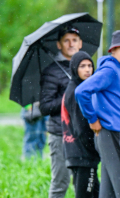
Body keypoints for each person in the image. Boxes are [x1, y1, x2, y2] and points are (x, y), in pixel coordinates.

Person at [75, 30, 120, 198]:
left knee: (110, 192)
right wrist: (92, 119)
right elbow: (81, 91)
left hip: (113, 136)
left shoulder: (119, 70)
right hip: (115, 135)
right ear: (112, 51)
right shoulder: (110, 70)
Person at [39, 26, 82, 198]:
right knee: (60, 183)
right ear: (59, 44)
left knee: (84, 182)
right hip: (60, 134)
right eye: (66, 40)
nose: (71, 44)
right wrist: (67, 98)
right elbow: (45, 107)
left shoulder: (85, 68)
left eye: (75, 40)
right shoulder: (51, 71)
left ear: (80, 44)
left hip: (82, 134)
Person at [61, 51, 100, 198]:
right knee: (85, 195)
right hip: (83, 154)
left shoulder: (78, 87)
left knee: (95, 193)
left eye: (90, 65)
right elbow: (81, 128)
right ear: (74, 68)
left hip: (78, 153)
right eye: (82, 66)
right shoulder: (77, 91)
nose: (88, 69)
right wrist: (95, 150)